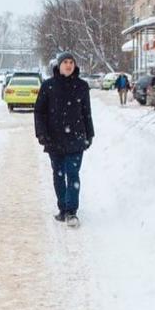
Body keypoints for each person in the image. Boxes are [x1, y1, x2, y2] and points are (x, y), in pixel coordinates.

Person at [34, 52, 94, 228]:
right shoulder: (48, 86)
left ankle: (71, 211)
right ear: (58, 66)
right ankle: (63, 208)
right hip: (54, 139)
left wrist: (90, 134)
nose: (68, 65)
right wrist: (42, 134)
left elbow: (86, 112)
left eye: (71, 62)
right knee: (58, 175)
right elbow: (39, 111)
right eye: (65, 62)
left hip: (76, 138)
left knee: (73, 174)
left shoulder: (82, 86)